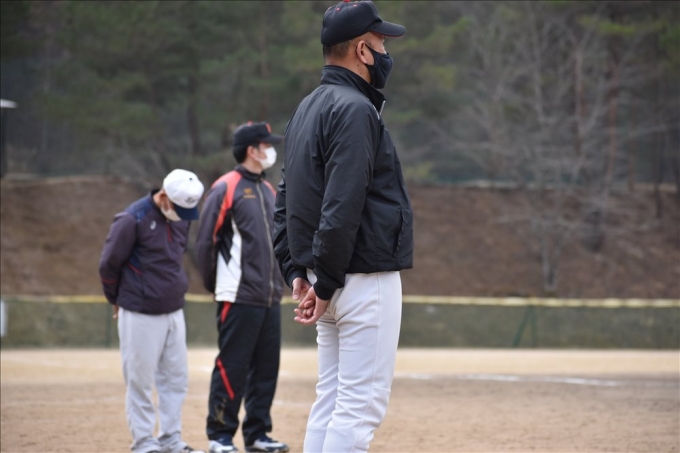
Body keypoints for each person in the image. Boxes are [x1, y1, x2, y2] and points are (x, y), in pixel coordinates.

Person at [272, 1, 413, 452]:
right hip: (360, 277)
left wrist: (297, 270)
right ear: (361, 50)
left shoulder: (306, 108)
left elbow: (286, 199)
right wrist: (326, 280)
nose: (386, 52)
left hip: (326, 277)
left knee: (331, 400)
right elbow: (342, 204)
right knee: (358, 407)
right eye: (381, 43)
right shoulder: (355, 109)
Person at [195, 122, 289, 453]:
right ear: (252, 150)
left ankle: (257, 434)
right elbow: (205, 242)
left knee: (267, 368)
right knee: (232, 366)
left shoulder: (269, 190)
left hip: (269, 296)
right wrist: (216, 285)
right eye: (267, 145)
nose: (271, 150)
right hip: (237, 295)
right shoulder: (225, 187)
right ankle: (220, 435)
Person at [99, 169, 206, 453]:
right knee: (140, 380)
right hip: (139, 311)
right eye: (180, 209)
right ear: (163, 196)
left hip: (174, 309)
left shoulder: (181, 217)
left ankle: (171, 439)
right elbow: (108, 264)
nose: (183, 216)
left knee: (176, 379)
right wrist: (115, 299)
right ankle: (144, 442)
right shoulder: (131, 219)